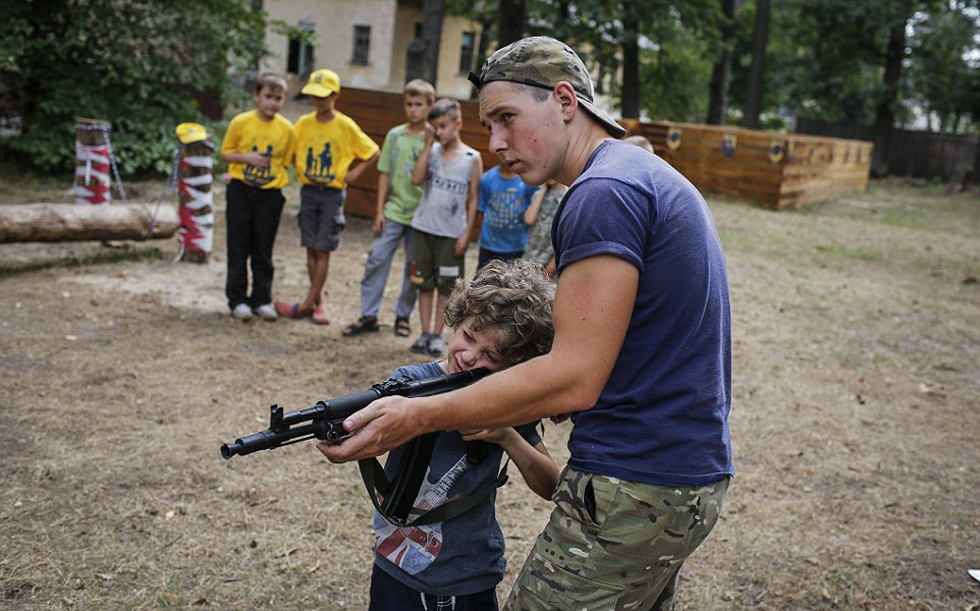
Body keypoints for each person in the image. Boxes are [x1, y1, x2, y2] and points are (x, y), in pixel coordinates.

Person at [320, 36, 734, 611]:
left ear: (565, 100)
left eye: (506, 118)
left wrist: (417, 413)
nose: (494, 144)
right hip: (677, 477)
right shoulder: (639, 174)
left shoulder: (603, 193)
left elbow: (575, 377)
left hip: (634, 483)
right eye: (488, 126)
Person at [320, 259, 559, 611]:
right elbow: (361, 426)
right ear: (457, 318)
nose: (469, 356)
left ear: (516, 365)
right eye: (467, 336)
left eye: (490, 355)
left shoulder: (507, 398)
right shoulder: (409, 382)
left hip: (468, 574)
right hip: (395, 565)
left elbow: (552, 485)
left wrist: (507, 436)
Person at [276, 69, 380, 325]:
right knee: (310, 247)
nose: (318, 101)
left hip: (332, 195)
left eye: (323, 96)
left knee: (323, 249)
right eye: (314, 96)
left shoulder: (345, 126)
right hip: (309, 191)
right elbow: (289, 155)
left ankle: (307, 304)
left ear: (335, 95)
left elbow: (373, 152)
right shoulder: (302, 124)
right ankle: (318, 302)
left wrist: (354, 173)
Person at [343, 79, 435, 339]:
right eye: (409, 104)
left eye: (419, 104)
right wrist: (379, 211)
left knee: (413, 268)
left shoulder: (434, 138)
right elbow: (384, 173)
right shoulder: (395, 135)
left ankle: (403, 315)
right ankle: (368, 314)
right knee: (377, 259)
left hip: (421, 216)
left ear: (430, 106)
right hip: (394, 210)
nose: (413, 110)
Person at [406, 98, 483, 357]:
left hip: (451, 235)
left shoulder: (472, 158)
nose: (437, 132)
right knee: (423, 283)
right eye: (434, 127)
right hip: (424, 228)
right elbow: (416, 179)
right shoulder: (433, 152)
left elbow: (473, 198)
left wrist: (466, 234)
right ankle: (424, 332)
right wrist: (428, 144)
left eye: (442, 126)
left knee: (446, 287)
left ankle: (438, 335)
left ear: (457, 124)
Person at [220, 72, 295, 322]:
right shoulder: (241, 122)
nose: (273, 103)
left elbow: (287, 162)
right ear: (256, 95)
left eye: (278, 98)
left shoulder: (286, 129)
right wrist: (248, 159)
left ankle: (262, 298)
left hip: (270, 195)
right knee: (238, 246)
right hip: (241, 190)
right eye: (268, 97)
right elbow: (226, 154)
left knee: (263, 249)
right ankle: (237, 299)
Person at [475, 164, 538, 269]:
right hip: (489, 245)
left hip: (517, 246)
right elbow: (481, 209)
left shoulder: (528, 181)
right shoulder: (487, 178)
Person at [520, 179, 566, 276]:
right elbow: (529, 219)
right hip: (529, 259)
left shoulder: (566, 198)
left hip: (548, 265)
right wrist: (543, 189)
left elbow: (563, 241)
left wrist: (548, 272)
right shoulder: (539, 194)